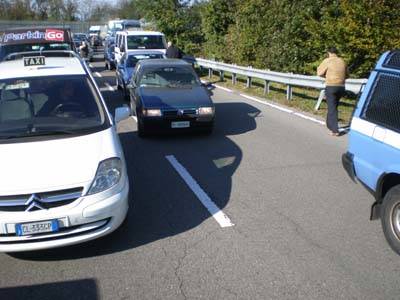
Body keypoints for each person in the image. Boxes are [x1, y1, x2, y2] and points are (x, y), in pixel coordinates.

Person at [317, 47, 348, 136]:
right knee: (334, 107)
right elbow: (347, 75)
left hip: (331, 86)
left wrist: (326, 76)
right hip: (341, 87)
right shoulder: (342, 61)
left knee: (332, 108)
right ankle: (330, 125)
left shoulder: (327, 61)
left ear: (328, 52)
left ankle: (335, 130)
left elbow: (319, 73)